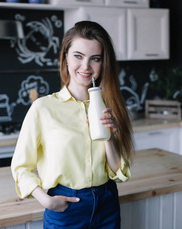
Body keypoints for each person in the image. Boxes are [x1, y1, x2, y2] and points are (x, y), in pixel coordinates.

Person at [11, 20, 134, 229]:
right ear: (65, 57)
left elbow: (118, 173)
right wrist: (46, 200)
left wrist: (109, 137)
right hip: (66, 209)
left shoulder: (110, 106)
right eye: (78, 56)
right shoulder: (43, 108)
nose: (86, 67)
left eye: (95, 59)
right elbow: (21, 168)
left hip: (107, 203)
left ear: (103, 63)